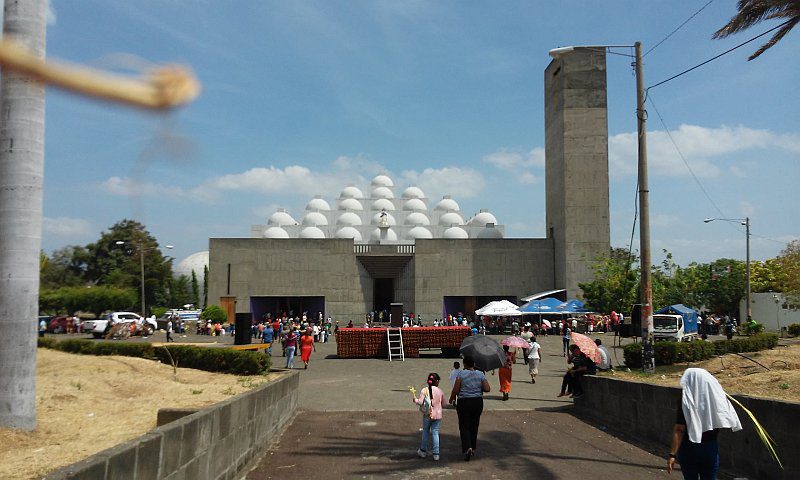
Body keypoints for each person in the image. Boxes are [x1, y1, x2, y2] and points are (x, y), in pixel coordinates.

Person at [668, 368, 742, 480]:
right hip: (710, 447)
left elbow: (679, 429)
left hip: (688, 447)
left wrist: (672, 455)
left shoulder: (686, 398)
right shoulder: (717, 397)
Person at [450, 356, 490, 461]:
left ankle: (467, 447)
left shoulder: (461, 374)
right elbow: (487, 388)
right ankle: (473, 446)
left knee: (464, 426)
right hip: (477, 401)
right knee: (474, 424)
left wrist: (451, 399)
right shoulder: (480, 374)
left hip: (464, 402)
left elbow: (455, 389)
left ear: (465, 364)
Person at [412, 372, 445, 461]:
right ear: (437, 381)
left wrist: (415, 400)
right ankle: (436, 454)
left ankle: (423, 451)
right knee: (435, 432)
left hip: (427, 414)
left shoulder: (424, 390)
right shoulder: (440, 391)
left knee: (425, 431)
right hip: (437, 415)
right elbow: (444, 404)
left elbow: (420, 402)